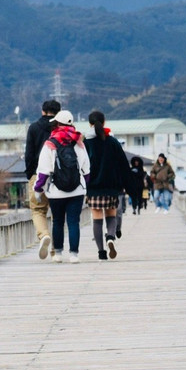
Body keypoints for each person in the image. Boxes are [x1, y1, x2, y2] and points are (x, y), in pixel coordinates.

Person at [33, 109, 90, 264]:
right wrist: (86, 186)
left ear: (57, 124)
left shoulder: (50, 144)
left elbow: (43, 171)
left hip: (56, 192)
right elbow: (86, 169)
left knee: (57, 221)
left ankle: (58, 253)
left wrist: (38, 189)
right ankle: (74, 255)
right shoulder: (79, 142)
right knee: (73, 222)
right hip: (77, 190)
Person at [84, 110, 132, 261]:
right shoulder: (113, 142)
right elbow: (124, 165)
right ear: (104, 123)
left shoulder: (86, 143)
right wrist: (127, 185)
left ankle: (101, 252)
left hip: (93, 187)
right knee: (111, 215)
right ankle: (110, 237)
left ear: (90, 124)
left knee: (97, 218)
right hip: (112, 187)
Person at [24, 99, 60, 260]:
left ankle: (44, 235)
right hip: (59, 177)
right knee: (57, 214)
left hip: (37, 175)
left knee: (38, 210)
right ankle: (55, 251)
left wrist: (30, 174)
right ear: (58, 113)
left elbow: (29, 154)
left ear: (43, 111)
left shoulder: (33, 128)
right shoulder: (60, 128)